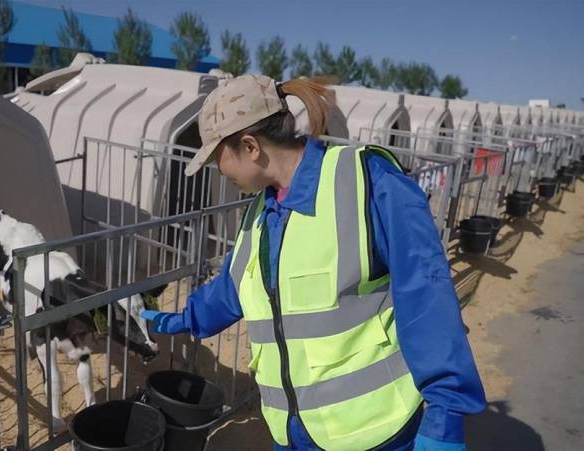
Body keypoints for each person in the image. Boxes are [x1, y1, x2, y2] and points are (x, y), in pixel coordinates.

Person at [142, 74, 485, 451]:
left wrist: (444, 418)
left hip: (374, 434)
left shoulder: (368, 182)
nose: (218, 170)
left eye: (217, 157)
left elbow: (427, 295)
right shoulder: (260, 210)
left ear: (250, 146)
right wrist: (180, 319)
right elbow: (236, 289)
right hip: (293, 433)